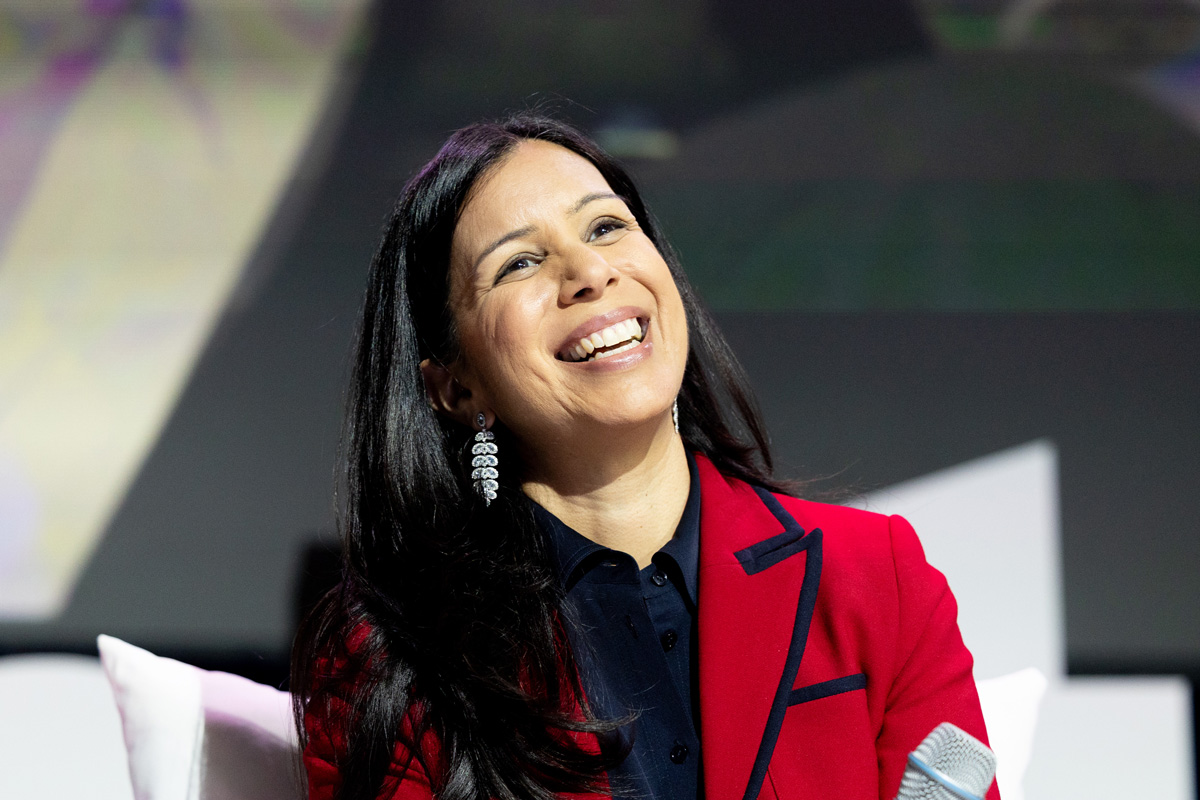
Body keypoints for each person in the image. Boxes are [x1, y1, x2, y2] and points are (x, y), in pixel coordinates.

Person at [292, 113, 999, 800]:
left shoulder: (876, 579)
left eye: (606, 227)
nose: (589, 272)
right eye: (520, 263)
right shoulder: (390, 656)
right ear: (455, 385)